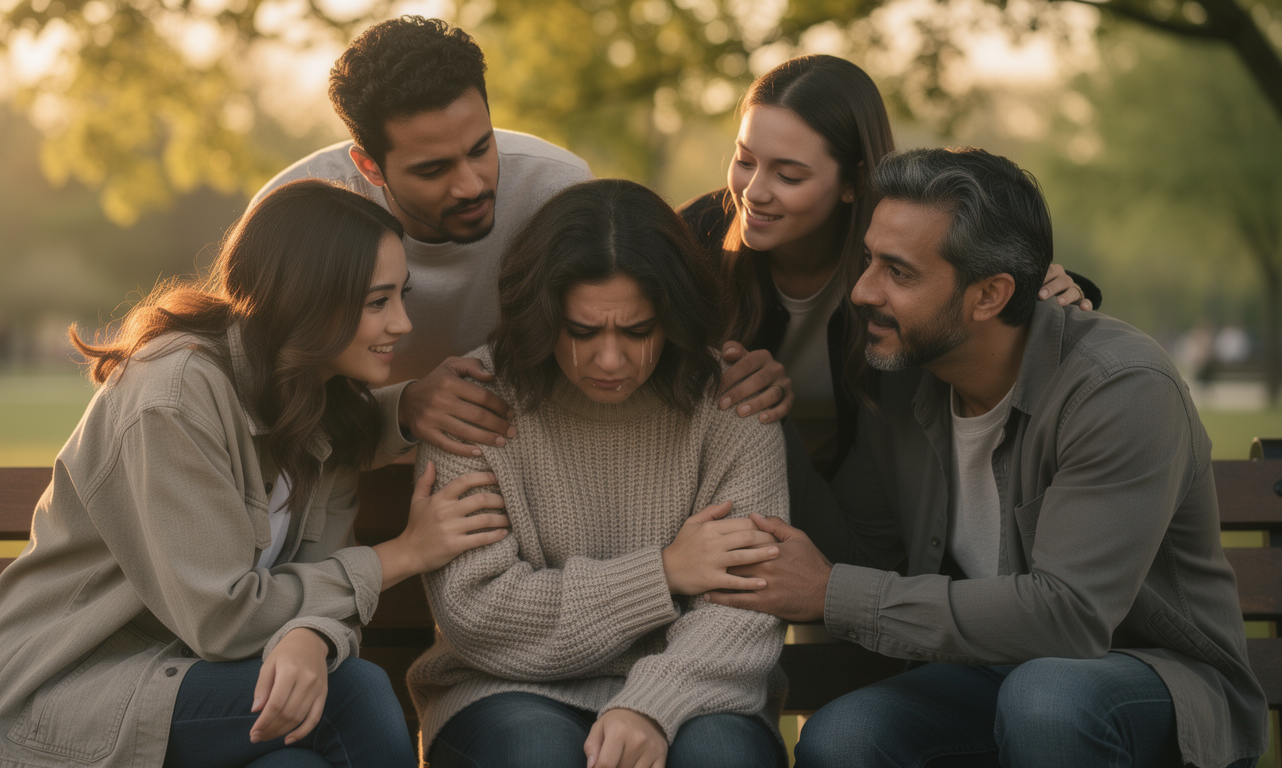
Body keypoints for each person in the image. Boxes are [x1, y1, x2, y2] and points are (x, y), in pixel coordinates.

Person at [706, 148, 1267, 768]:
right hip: (990, 671)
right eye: (869, 260)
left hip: (1153, 678)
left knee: (1048, 699)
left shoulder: (1121, 388)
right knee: (845, 737)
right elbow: (858, 556)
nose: (862, 291)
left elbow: (1069, 618)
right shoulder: (900, 381)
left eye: (898, 272)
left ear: (990, 295)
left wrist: (835, 593)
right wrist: (766, 421)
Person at [0, 179, 511, 768]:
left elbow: (324, 585)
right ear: (305, 298)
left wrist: (310, 636)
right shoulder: (173, 397)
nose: (402, 324)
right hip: (72, 696)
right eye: (377, 302)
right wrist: (403, 554)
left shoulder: (327, 404)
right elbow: (222, 619)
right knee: (355, 694)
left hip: (200, 686)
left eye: (401, 296)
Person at [407, 179, 789, 768]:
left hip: (699, 692)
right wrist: (662, 574)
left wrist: (651, 704)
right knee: (538, 754)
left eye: (638, 332)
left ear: (675, 316)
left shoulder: (733, 404)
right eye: (582, 331)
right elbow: (479, 615)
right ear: (541, 315)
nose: (610, 361)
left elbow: (746, 609)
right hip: (506, 691)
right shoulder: (474, 403)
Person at [679, 54, 1099, 475]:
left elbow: (979, 300)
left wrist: (1048, 288)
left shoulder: (904, 241)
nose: (752, 192)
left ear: (855, 180)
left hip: (865, 504)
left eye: (788, 176)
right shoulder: (693, 238)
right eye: (745, 160)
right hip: (725, 483)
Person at [253, 16, 593, 458]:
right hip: (342, 466)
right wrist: (403, 405)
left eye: (481, 148)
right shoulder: (296, 215)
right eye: (433, 169)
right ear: (369, 166)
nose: (471, 185)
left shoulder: (559, 191)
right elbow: (262, 392)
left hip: (528, 459)